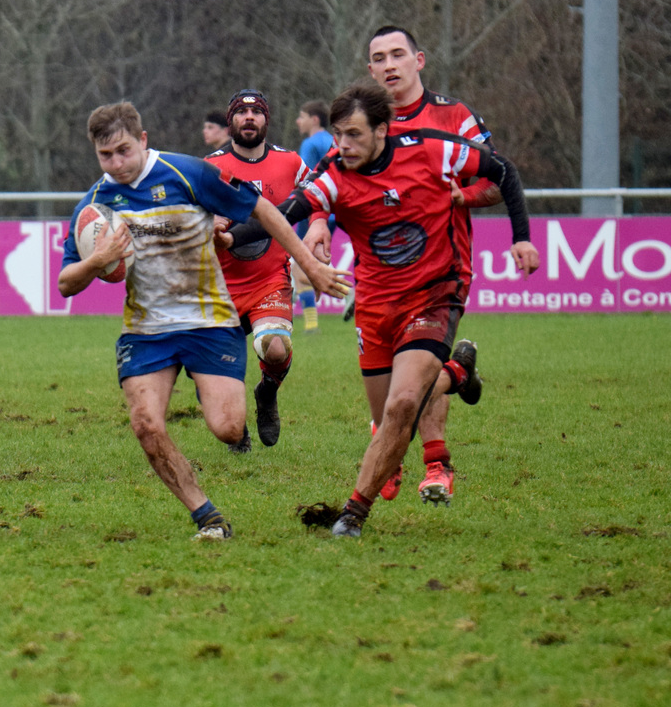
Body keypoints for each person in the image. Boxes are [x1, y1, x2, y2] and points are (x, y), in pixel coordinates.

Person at [223, 83, 538, 538]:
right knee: (388, 413)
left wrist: (521, 237)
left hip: (435, 292)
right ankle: (457, 373)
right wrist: (231, 237)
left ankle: (352, 514)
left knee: (403, 402)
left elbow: (502, 170)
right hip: (374, 303)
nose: (343, 145)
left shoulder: (432, 150)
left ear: (382, 131)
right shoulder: (334, 173)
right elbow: (284, 212)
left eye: (353, 134)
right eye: (338, 135)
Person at [58, 103, 348, 541]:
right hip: (147, 329)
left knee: (229, 429)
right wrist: (97, 260)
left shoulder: (188, 173)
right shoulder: (96, 206)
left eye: (123, 151)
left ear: (143, 140)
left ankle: (211, 378)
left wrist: (308, 262)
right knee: (146, 425)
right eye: (105, 156)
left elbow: (264, 210)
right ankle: (207, 517)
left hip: (208, 319)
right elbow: (66, 283)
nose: (115, 164)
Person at [315, 25, 498, 507]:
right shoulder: (360, 125)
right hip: (379, 277)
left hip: (440, 272)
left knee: (412, 374)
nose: (389, 64)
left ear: (419, 60)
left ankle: (436, 464)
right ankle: (453, 379)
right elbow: (324, 183)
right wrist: (316, 224)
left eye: (398, 54)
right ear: (370, 70)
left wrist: (464, 196)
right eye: (379, 58)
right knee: (401, 383)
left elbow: (497, 177)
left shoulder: (453, 117)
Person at [204, 90, 318, 449]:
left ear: (267, 119)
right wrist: (208, 223)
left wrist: (318, 225)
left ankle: (267, 391)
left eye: (256, 112)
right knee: (217, 373)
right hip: (217, 285)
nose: (249, 117)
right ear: (230, 121)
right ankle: (235, 427)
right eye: (241, 112)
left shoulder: (290, 162)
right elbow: (188, 213)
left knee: (275, 349)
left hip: (268, 280)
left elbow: (320, 195)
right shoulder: (209, 167)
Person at [292, 101, 334, 332]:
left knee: (300, 264)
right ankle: (350, 296)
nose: (298, 121)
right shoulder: (333, 140)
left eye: (302, 116)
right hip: (334, 211)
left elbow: (306, 180)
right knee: (320, 262)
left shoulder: (310, 143)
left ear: (314, 119)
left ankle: (311, 324)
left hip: (313, 212)